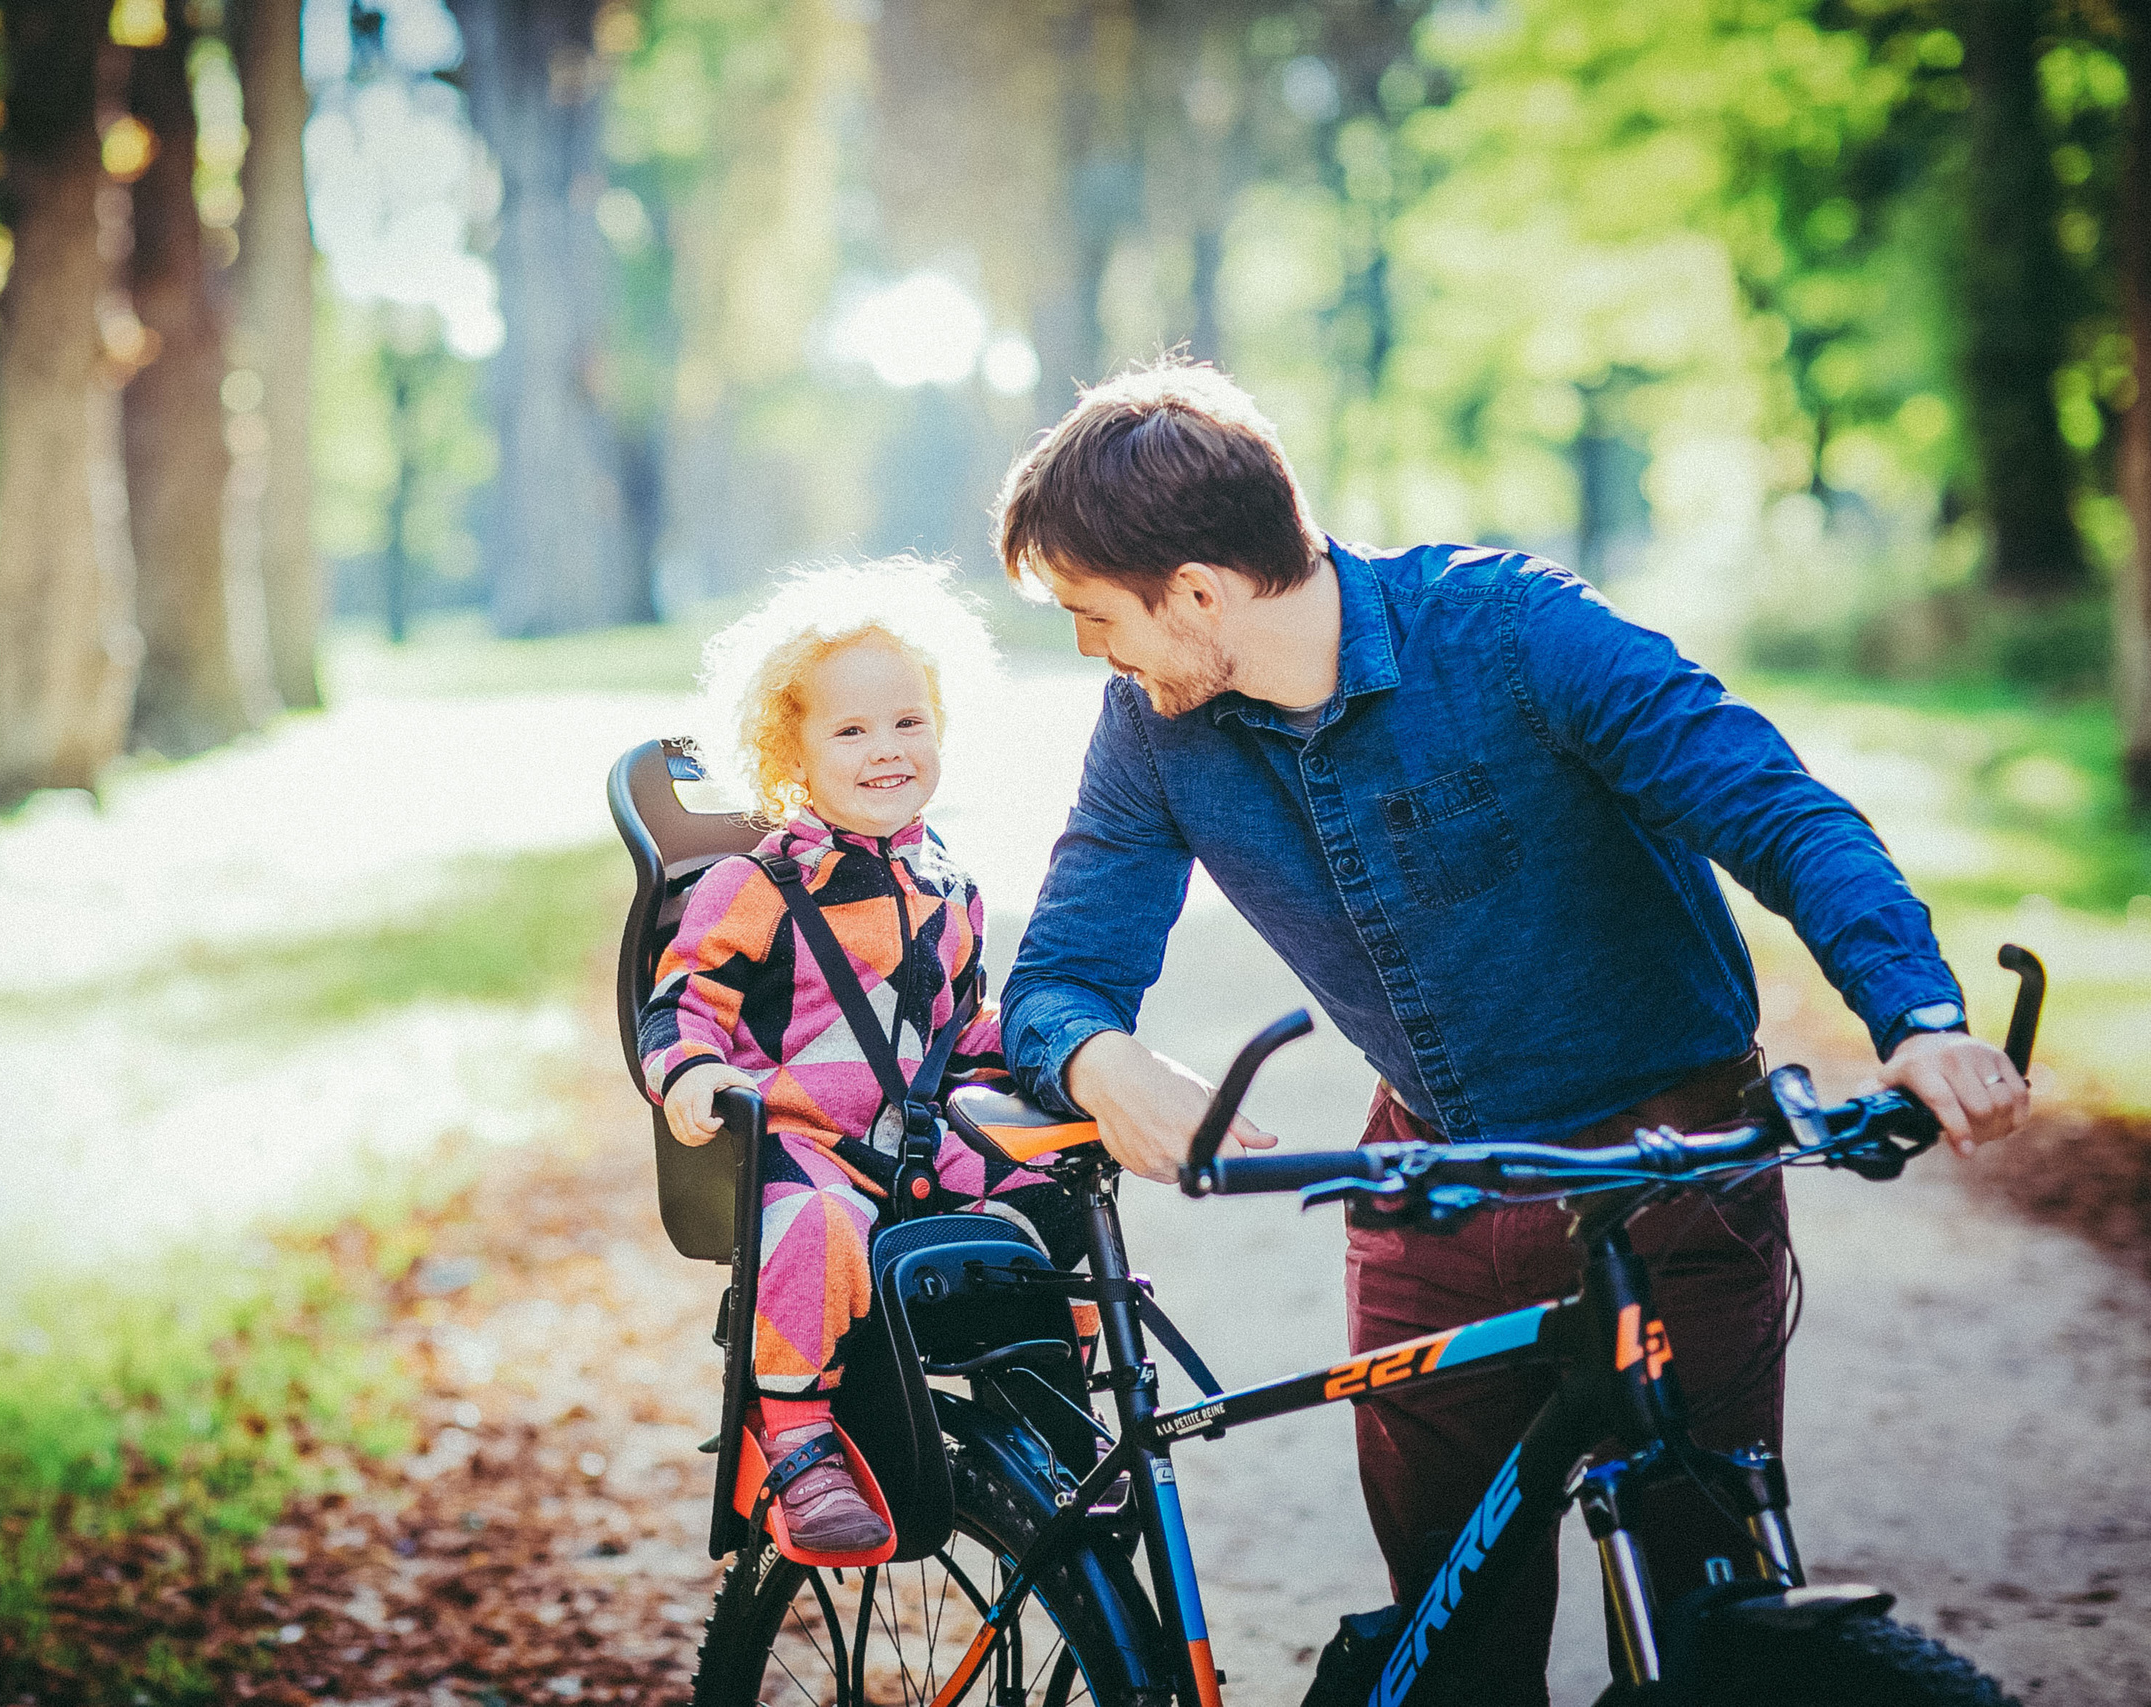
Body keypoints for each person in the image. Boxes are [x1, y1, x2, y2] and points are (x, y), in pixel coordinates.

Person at [990, 361, 2029, 1699]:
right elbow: (1061, 970)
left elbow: (1780, 808)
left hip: (1674, 1172)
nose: (1092, 650)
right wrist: (1098, 1053)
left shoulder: (1511, 628)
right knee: (1454, 1636)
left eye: (1092, 614)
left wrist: (1920, 1015)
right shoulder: (1153, 726)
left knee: (1710, 1607)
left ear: (1198, 591)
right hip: (1430, 1190)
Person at [639, 557, 1082, 1555]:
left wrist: (1050, 1060)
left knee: (1050, 1189)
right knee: (819, 1225)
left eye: (907, 722)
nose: (886, 750)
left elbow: (962, 1035)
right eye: (850, 731)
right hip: (799, 1141)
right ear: (787, 756)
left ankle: (1049, 1407)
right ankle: (795, 1435)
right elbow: (680, 1010)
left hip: (916, 1135)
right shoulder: (751, 888)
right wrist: (697, 1074)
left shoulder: (948, 887)